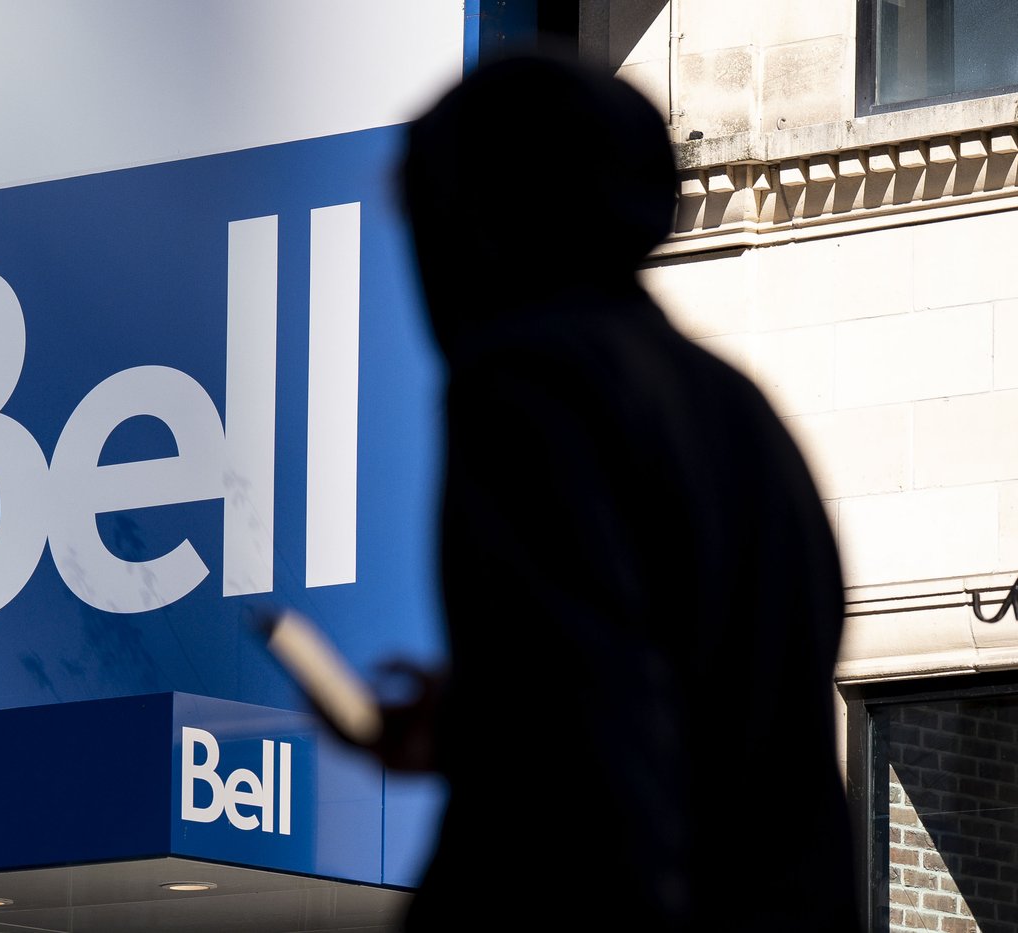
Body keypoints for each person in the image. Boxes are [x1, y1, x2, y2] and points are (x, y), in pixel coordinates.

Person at [368, 47, 863, 931]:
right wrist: (489, 721)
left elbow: (592, 760)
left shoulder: (527, 387)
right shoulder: (733, 404)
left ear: (478, 218)